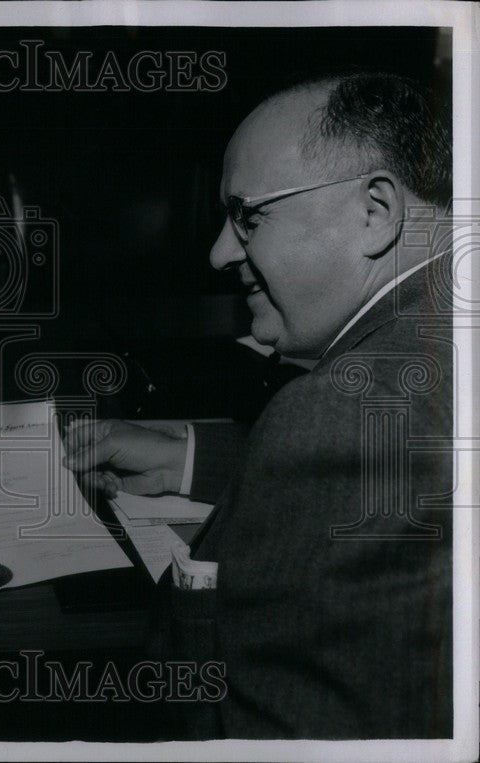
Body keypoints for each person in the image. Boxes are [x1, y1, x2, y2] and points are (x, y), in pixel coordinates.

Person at [64, 72, 453, 738]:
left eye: (248, 214)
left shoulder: (344, 411)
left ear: (376, 210)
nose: (219, 251)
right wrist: (202, 460)